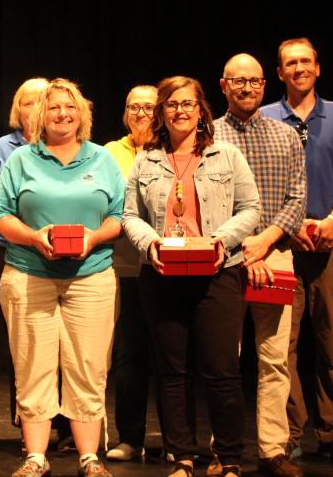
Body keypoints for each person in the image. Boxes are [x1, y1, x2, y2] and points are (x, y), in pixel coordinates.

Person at [122, 76, 260, 477]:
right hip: (161, 274)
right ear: (162, 112)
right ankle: (181, 456)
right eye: (171, 104)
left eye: (188, 103)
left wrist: (219, 240)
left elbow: (250, 208)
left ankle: (230, 458)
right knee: (171, 372)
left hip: (217, 273)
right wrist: (150, 244)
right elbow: (130, 215)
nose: (180, 111)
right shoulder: (146, 160)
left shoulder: (227, 156)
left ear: (201, 110)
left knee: (221, 370)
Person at [0, 78, 125, 477]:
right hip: (30, 274)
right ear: (40, 115)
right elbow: (0, 213)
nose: (62, 114)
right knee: (33, 365)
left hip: (91, 276)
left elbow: (118, 217)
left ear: (81, 112)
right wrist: (34, 237)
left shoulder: (102, 159)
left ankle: (89, 457)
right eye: (53, 108)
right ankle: (36, 456)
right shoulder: (21, 160)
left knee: (88, 365)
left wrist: (93, 237)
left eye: (69, 107)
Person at [260, 38, 333, 464]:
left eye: (306, 61)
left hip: (330, 236)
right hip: (281, 240)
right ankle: (288, 433)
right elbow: (258, 182)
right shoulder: (267, 116)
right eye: (291, 63)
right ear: (281, 72)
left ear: (317, 68)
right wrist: (291, 224)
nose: (299, 68)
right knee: (281, 339)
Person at [213, 54, 307, 477]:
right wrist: (241, 247)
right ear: (223, 85)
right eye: (238, 81)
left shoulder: (287, 136)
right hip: (225, 258)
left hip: (275, 254)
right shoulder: (207, 135)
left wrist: (266, 242)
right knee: (223, 360)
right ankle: (224, 451)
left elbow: (297, 198)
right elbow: (205, 205)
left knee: (274, 358)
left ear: (265, 84)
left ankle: (273, 450)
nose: (247, 88)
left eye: (254, 81)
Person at [102, 85, 158, 462]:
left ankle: (176, 440)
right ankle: (130, 437)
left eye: (148, 107)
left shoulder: (174, 149)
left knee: (174, 356)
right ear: (125, 114)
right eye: (133, 107)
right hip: (124, 268)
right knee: (128, 355)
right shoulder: (109, 152)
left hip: (169, 266)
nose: (140, 113)